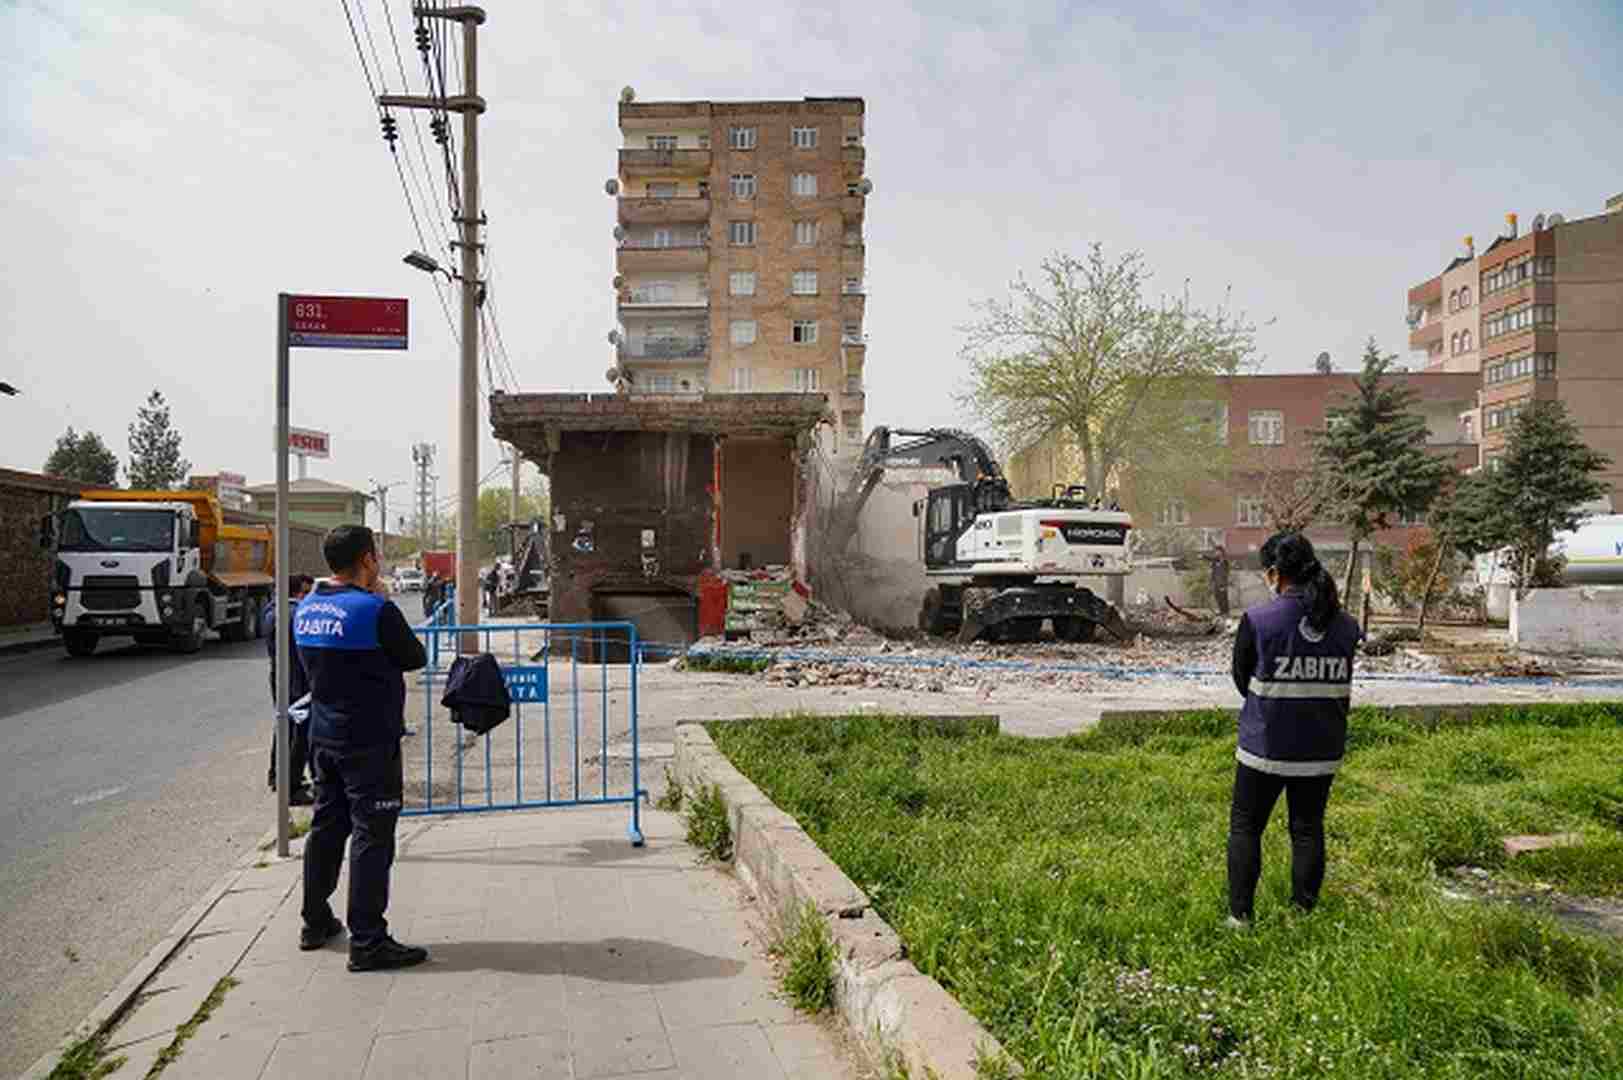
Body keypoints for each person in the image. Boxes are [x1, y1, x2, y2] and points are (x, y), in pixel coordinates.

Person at [295, 525, 429, 970]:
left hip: (323, 736)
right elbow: (415, 657)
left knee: (326, 828)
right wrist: (382, 600)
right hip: (369, 740)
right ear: (368, 559)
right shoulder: (374, 609)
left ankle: (315, 921)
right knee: (372, 835)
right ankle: (369, 941)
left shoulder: (307, 607)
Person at [1226, 531, 1360, 926]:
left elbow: (1242, 678)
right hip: (1321, 748)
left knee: (1246, 827)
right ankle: (1304, 916)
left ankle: (1241, 919)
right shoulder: (1345, 625)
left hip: (1265, 747)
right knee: (1307, 829)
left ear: (1274, 573)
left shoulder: (1258, 620)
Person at [264, 575, 315, 804]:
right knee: (299, 735)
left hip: (280, 677)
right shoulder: (296, 614)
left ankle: (277, 776)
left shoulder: (270, 611)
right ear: (299, 592)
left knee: (283, 727)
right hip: (297, 682)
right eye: (307, 592)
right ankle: (291, 787)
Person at [1206, 543, 1232, 616]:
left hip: (1222, 583)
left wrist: (1224, 584)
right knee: (1217, 597)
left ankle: (1226, 612)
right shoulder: (1215, 561)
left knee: (1223, 598)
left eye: (1218, 551)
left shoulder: (1225, 561)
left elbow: (1226, 573)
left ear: (1222, 552)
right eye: (1216, 551)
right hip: (1215, 582)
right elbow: (1213, 571)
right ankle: (1221, 611)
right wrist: (1211, 581)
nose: (1217, 553)